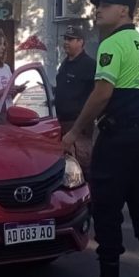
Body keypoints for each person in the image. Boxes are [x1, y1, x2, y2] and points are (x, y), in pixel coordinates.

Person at [61, 0, 139, 277]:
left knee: (107, 209)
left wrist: (76, 130)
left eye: (106, 5)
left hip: (119, 138)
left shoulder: (112, 44)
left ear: (124, 11)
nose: (98, 10)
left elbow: (103, 93)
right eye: (98, 5)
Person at [54, 25, 95, 173]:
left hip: (79, 125)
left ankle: (87, 195)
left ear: (81, 42)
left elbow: (96, 95)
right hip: (62, 123)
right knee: (68, 168)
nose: (66, 42)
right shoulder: (65, 63)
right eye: (65, 39)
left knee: (82, 165)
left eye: (70, 39)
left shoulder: (89, 65)